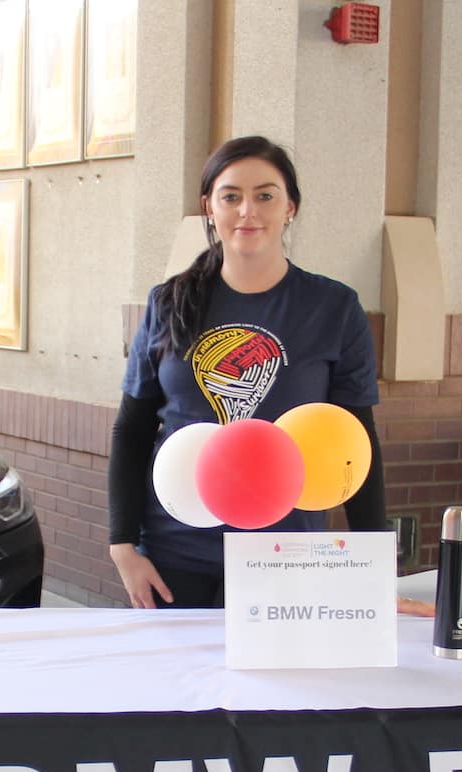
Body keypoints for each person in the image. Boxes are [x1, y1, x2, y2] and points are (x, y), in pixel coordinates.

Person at [108, 135, 429, 614]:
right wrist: (123, 547)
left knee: (278, 691)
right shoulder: (169, 302)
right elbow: (132, 430)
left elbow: (356, 442)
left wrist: (373, 562)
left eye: (265, 195)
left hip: (287, 555)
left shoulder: (333, 308)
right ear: (209, 208)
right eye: (231, 196)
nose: (247, 211)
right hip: (177, 555)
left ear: (290, 207)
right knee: (180, 689)